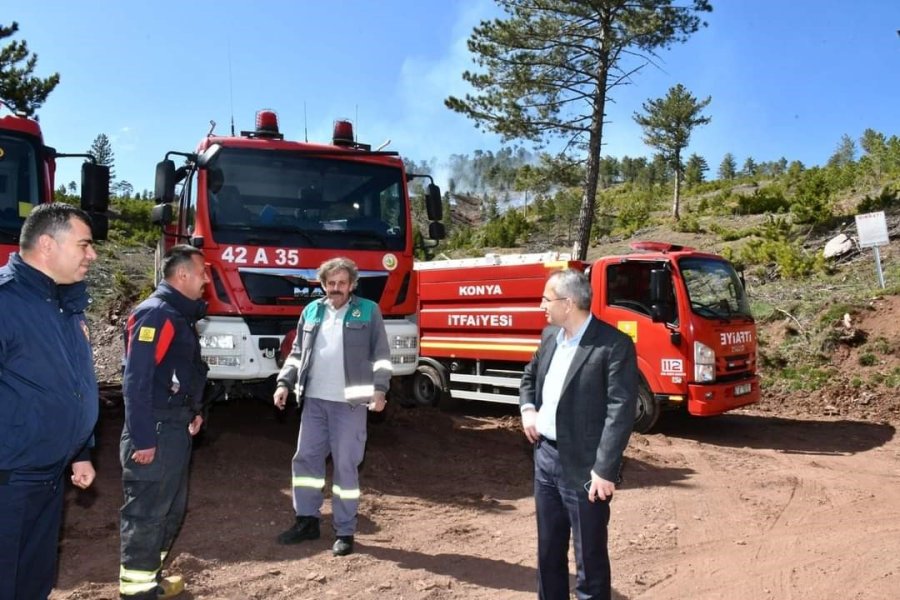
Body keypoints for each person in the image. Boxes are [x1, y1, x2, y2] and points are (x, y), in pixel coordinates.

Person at [0, 202, 99, 600]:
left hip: (47, 478)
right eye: (84, 245)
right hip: (8, 482)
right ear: (47, 245)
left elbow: (72, 383)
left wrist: (80, 450)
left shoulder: (64, 306)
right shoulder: (6, 302)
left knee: (33, 585)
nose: (91, 255)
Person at [519, 269, 638, 600]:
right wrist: (528, 410)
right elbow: (529, 379)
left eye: (546, 299)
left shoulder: (613, 345)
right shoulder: (549, 337)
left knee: (590, 560)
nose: (542, 305)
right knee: (548, 553)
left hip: (587, 469)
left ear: (567, 303)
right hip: (545, 459)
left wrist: (604, 469)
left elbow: (620, 411)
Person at [273, 256, 391, 557]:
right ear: (323, 284)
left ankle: (345, 531)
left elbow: (381, 356)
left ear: (352, 284)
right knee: (306, 462)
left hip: (349, 404)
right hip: (313, 401)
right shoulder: (311, 311)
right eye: (330, 283)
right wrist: (284, 383)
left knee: (345, 467)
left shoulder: (368, 311)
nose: (335, 288)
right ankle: (307, 520)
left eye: (341, 283)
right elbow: (297, 353)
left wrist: (380, 390)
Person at [118, 245, 210, 600]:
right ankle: (137, 592)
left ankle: (150, 579)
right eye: (201, 273)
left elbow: (181, 374)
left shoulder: (178, 314)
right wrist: (143, 438)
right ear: (182, 275)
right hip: (154, 428)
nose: (205, 280)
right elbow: (136, 381)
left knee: (170, 510)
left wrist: (194, 411)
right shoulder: (156, 315)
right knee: (146, 513)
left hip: (173, 425)